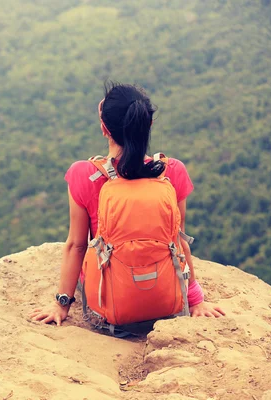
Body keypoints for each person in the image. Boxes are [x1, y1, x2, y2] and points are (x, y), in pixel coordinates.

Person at [30, 82, 226, 327]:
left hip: (106, 308)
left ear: (104, 129)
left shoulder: (82, 174)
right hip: (164, 300)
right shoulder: (172, 171)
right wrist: (195, 301)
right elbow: (178, 241)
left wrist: (61, 304)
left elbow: (77, 246)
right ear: (148, 126)